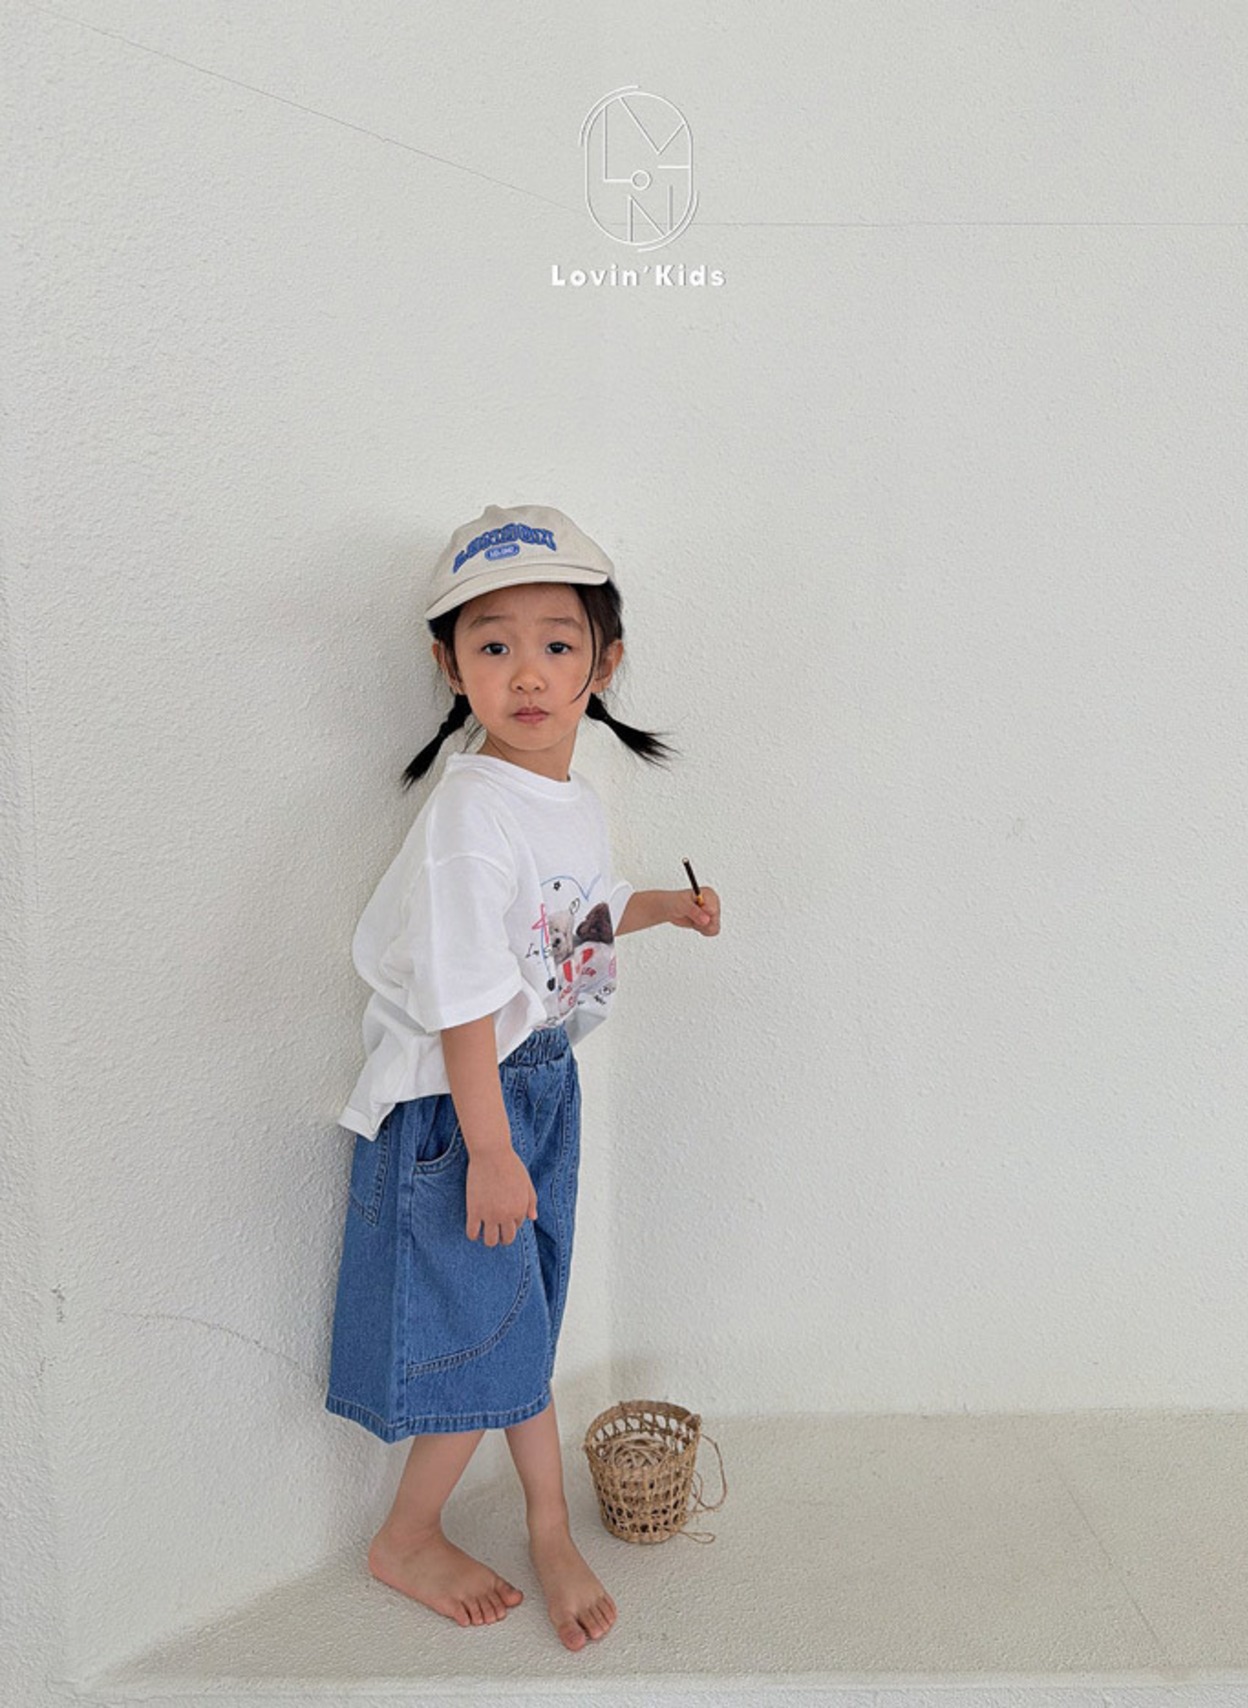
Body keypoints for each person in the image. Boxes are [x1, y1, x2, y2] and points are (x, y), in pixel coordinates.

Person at [325, 502, 722, 1652]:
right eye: (493, 644)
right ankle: (408, 1534)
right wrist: (491, 1148)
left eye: (557, 642)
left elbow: (570, 922)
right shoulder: (470, 810)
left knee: (519, 1322)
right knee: (480, 1338)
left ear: (604, 662)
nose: (529, 672)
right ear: (450, 666)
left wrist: (664, 907)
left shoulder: (566, 799)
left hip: (534, 1085)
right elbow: (460, 997)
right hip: (463, 1107)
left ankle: (547, 1524)